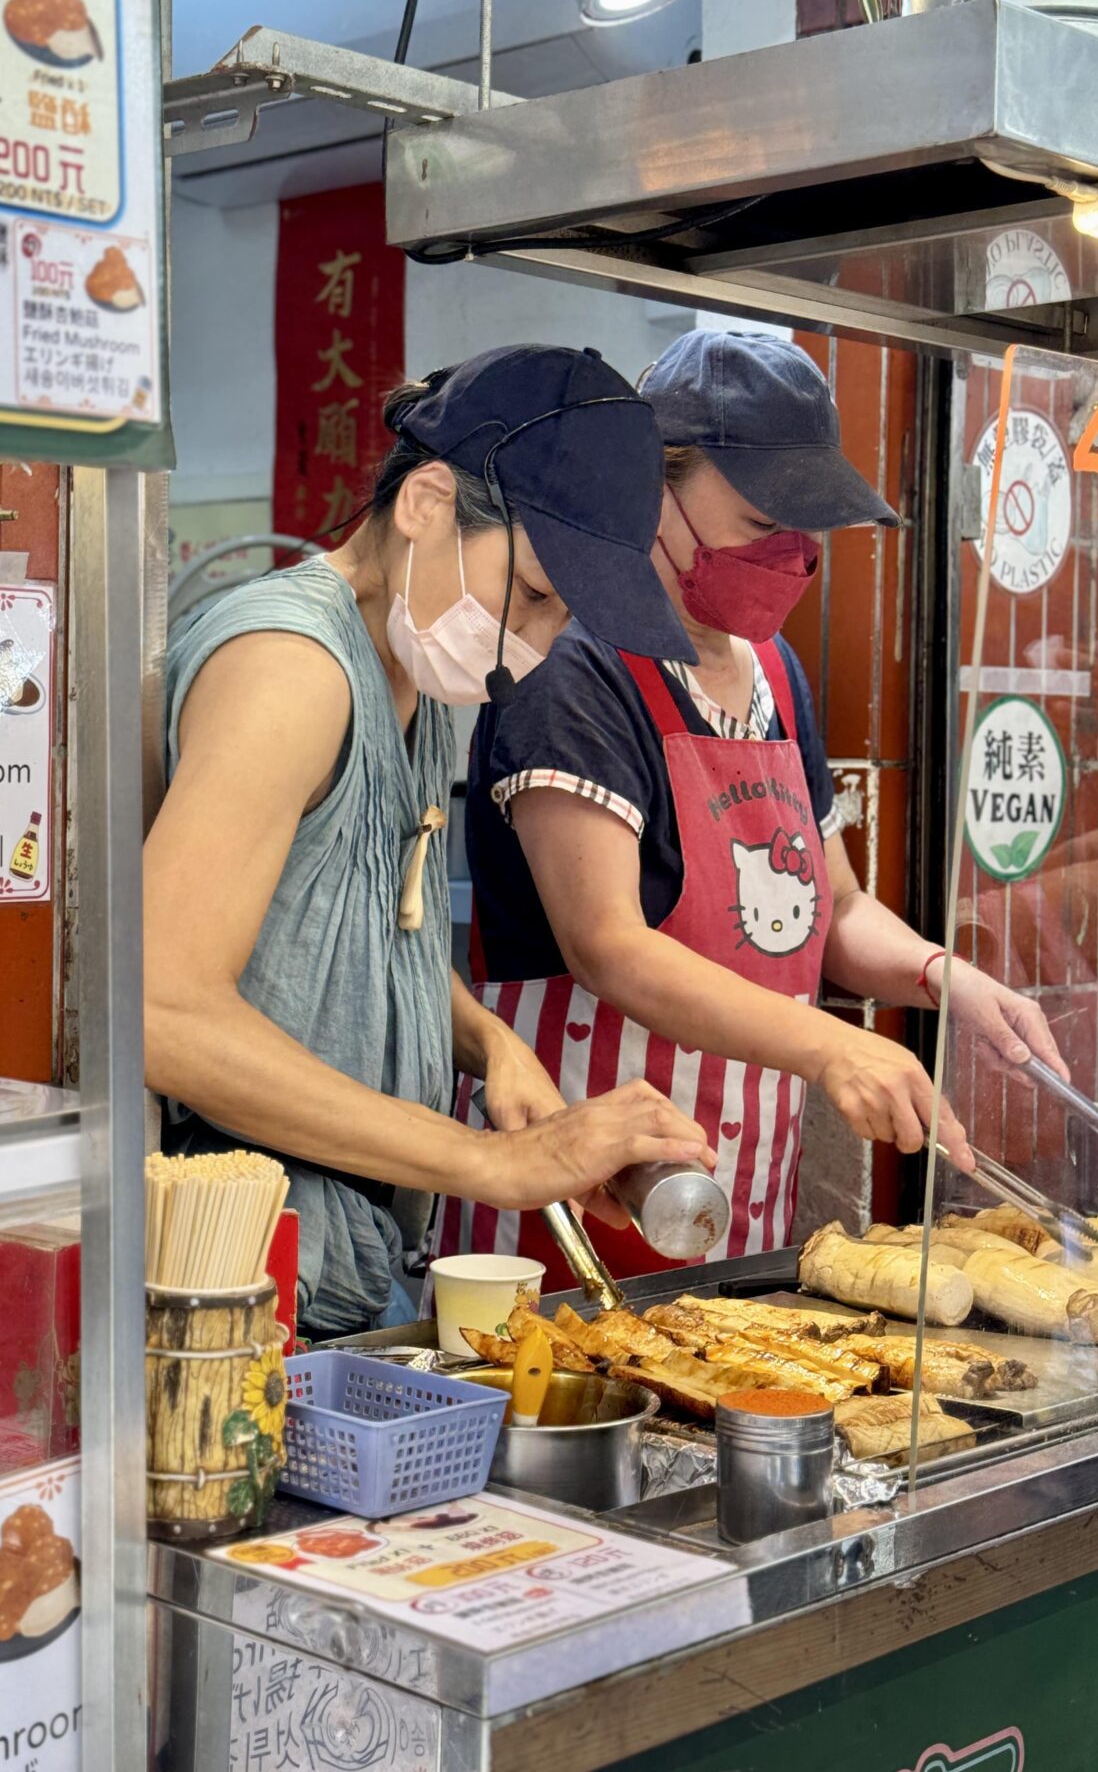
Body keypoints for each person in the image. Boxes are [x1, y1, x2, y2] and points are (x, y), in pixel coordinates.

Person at [438, 331, 1065, 1284]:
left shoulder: (773, 671)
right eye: (759, 517)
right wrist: (827, 1046)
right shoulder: (573, 659)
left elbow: (837, 909)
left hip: (737, 1201)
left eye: (805, 527)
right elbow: (607, 943)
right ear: (655, 484)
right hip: (570, 1210)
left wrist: (946, 980)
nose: (789, 552)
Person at [145, 344, 724, 1339]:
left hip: (342, 1268)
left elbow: (362, 930)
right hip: (239, 1283)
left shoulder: (409, 671)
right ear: (424, 502)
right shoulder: (292, 668)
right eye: (534, 593)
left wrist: (486, 1039)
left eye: (561, 616)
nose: (537, 643)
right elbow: (164, 1010)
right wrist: (490, 1165)